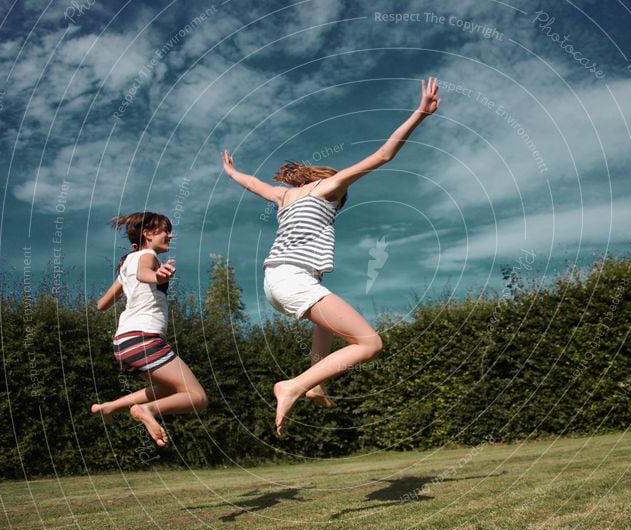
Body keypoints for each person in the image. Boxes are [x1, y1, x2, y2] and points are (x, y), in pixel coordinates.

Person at [222, 77, 440, 436]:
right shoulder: (330, 188)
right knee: (370, 343)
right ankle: (292, 385)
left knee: (325, 321)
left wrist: (231, 172)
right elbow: (383, 155)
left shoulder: (282, 197)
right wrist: (420, 113)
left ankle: (316, 383)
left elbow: (252, 183)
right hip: (292, 279)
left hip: (277, 282)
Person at [91, 212, 208, 447]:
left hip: (124, 344)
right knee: (198, 398)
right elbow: (145, 272)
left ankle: (110, 406)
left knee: (166, 388)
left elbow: (101, 305)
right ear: (148, 234)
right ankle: (146, 410)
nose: (170, 235)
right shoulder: (147, 255)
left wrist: (132, 283)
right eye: (166, 230)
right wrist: (156, 275)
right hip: (143, 338)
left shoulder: (127, 266)